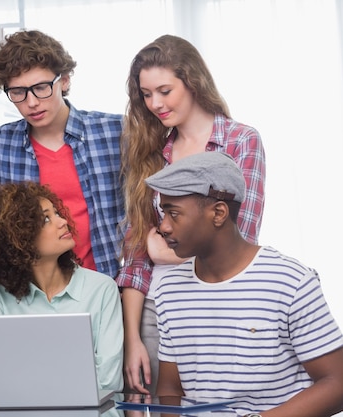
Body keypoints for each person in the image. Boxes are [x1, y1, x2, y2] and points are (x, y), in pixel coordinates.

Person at [118, 34, 266, 395]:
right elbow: (137, 259)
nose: (155, 103)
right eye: (146, 94)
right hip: (158, 308)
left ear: (193, 82)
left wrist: (163, 251)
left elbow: (239, 235)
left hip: (222, 305)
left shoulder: (240, 141)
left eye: (165, 91)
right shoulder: (150, 151)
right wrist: (132, 338)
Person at [147, 152, 343, 417]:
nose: (164, 227)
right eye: (163, 213)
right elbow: (171, 389)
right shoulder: (169, 288)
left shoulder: (290, 281)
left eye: (174, 214)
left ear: (218, 213)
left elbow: (337, 384)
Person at [0, 29, 124, 279]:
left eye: (41, 87)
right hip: (29, 296)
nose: (32, 102)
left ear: (65, 80)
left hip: (105, 288)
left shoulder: (114, 132)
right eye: (18, 92)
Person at [0, 181, 124, 391]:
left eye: (56, 213)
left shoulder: (102, 289)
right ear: (17, 237)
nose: (63, 221)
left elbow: (108, 381)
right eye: (46, 219)